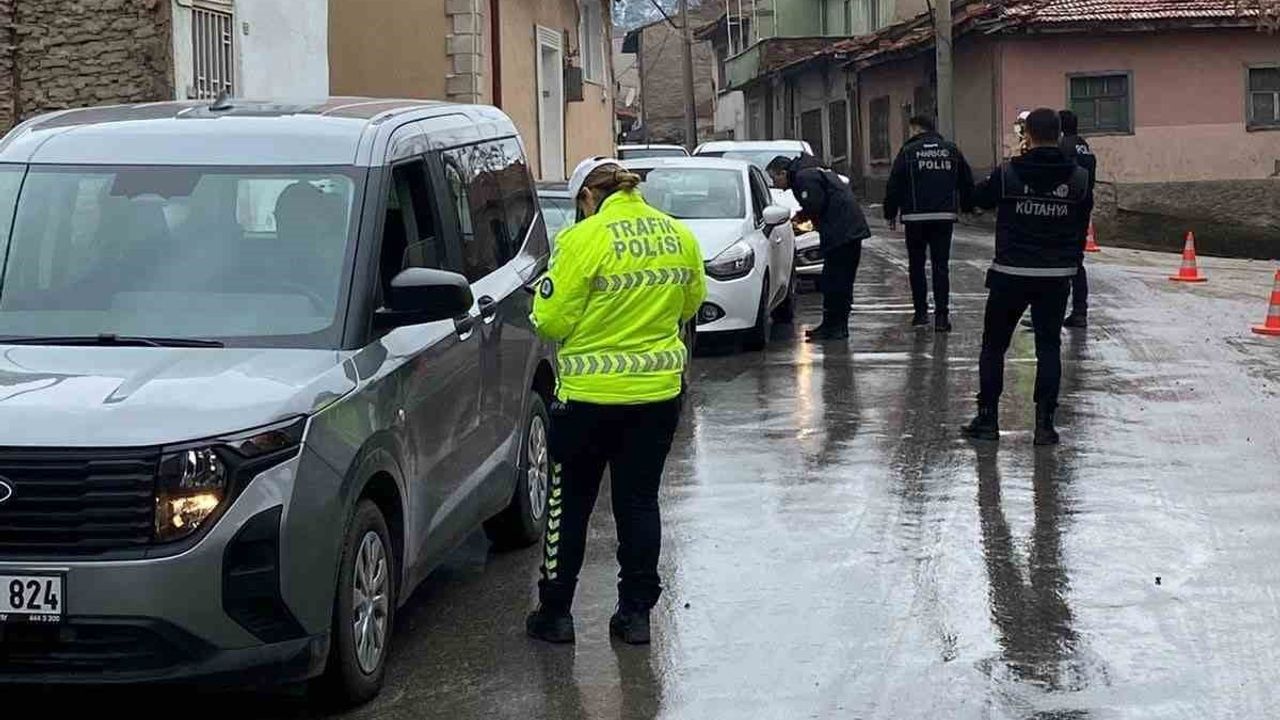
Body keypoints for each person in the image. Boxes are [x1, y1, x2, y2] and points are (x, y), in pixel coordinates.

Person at [526, 157, 707, 645]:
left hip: (587, 401)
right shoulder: (677, 236)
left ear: (588, 197)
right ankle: (635, 617)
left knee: (572, 504)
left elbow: (551, 321)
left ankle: (556, 613)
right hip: (656, 397)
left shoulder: (582, 240)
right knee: (639, 503)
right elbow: (691, 304)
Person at [962, 108, 1093, 446]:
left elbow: (975, 199)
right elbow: (1082, 222)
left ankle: (988, 419)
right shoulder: (1078, 178)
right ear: (1059, 135)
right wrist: (1071, 261)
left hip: (1011, 274)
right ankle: (1045, 425)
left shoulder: (1008, 173)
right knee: (1048, 347)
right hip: (1055, 276)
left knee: (994, 346)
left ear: (1028, 135)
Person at [883, 114, 975, 332]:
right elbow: (966, 180)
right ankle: (942, 317)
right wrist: (969, 206)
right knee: (940, 266)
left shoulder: (908, 152)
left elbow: (895, 183)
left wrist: (890, 212)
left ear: (916, 129)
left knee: (916, 266)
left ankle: (921, 313)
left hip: (915, 217)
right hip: (944, 217)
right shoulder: (951, 150)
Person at [767, 154, 871, 342]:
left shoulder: (803, 178)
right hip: (845, 231)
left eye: (775, 178)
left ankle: (837, 327)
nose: (775, 185)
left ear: (783, 172)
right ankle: (832, 325)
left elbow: (814, 204)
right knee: (835, 280)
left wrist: (801, 217)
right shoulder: (809, 172)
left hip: (843, 234)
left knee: (837, 281)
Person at [1058, 109, 1097, 329]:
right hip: (1084, 206)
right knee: (1076, 260)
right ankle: (1079, 311)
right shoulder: (1085, 147)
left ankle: (1052, 312)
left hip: (1066, 209)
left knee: (1058, 260)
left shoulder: (1063, 148)